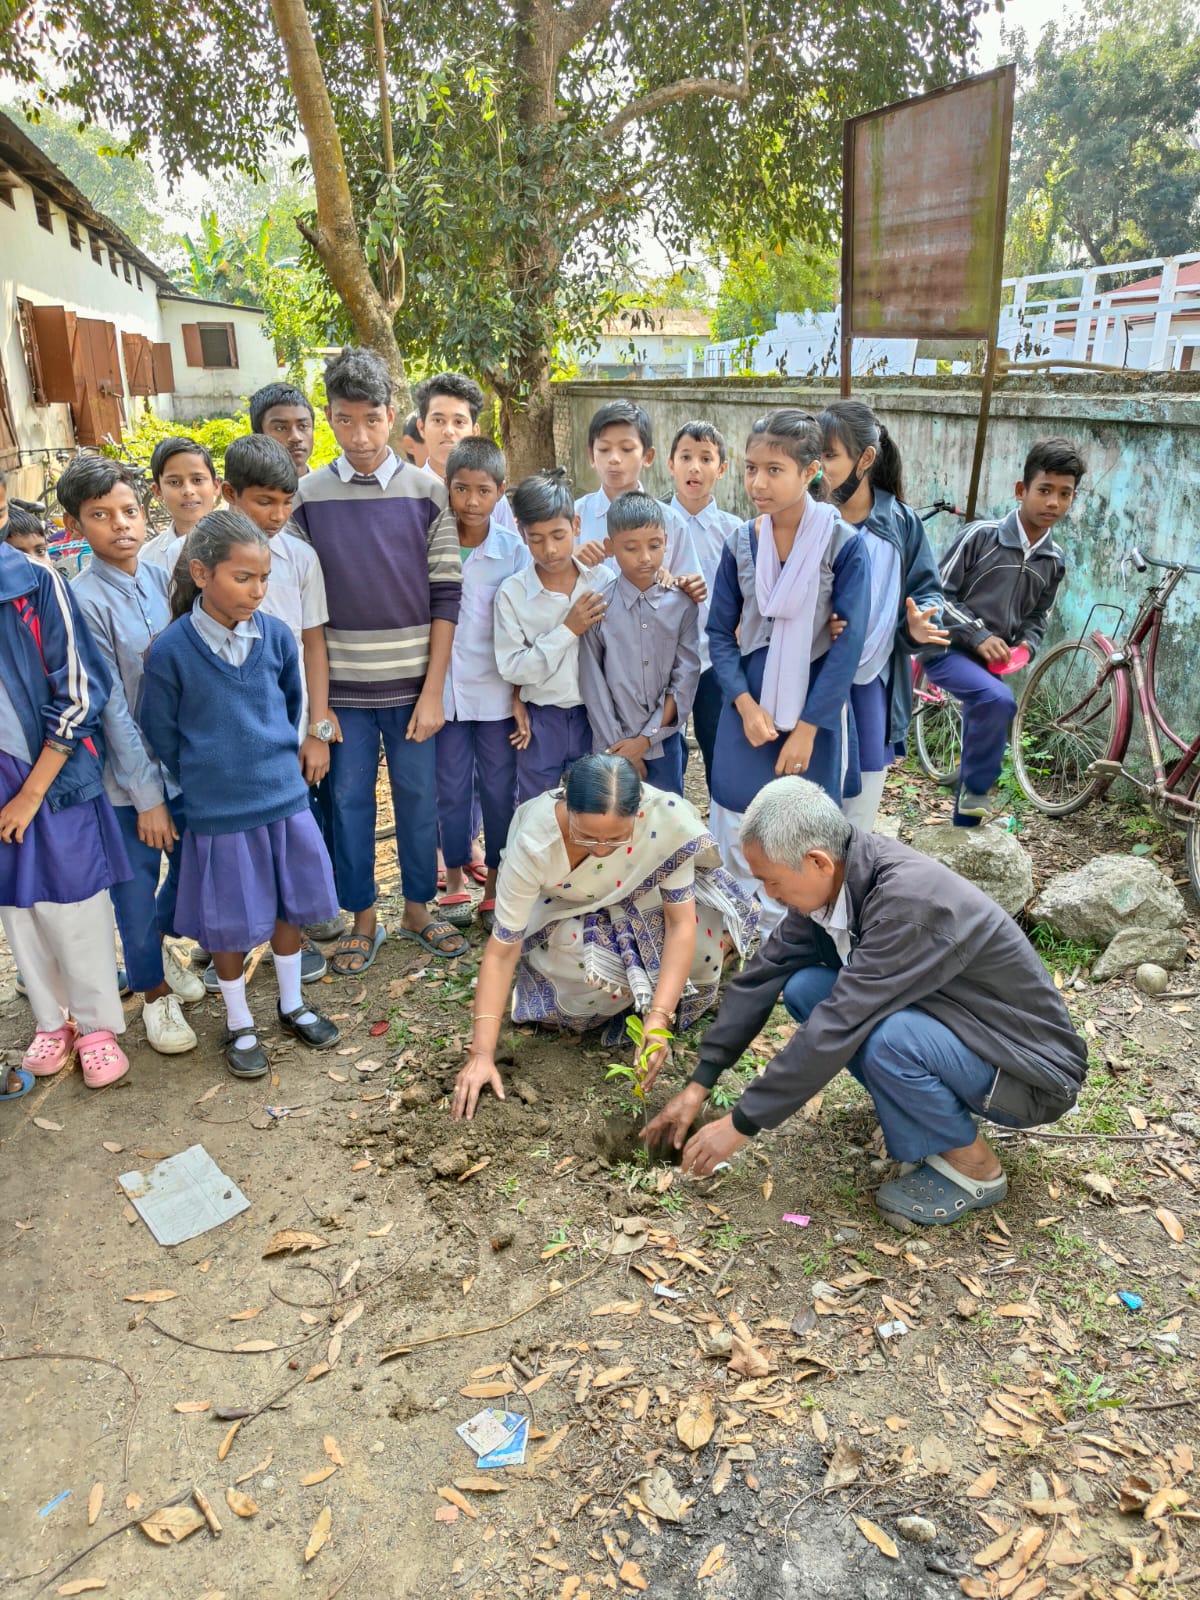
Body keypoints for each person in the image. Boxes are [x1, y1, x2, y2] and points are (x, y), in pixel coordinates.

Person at [644, 777, 1089, 1227]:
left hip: (1027, 1073)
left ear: (816, 861)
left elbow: (837, 1026)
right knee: (805, 989)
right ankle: (924, 1123)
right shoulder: (840, 883)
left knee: (887, 1038)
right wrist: (699, 1085)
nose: (769, 896)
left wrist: (741, 1123)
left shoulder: (906, 905)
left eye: (771, 881)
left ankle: (977, 1169)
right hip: (965, 1032)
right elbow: (761, 978)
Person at [140, 511, 342, 1079]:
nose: (257, 590)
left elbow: (289, 700)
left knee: (288, 906)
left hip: (282, 800)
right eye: (243, 578)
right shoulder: (172, 651)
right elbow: (159, 730)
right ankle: (238, 1022)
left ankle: (290, 1004)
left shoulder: (276, 637)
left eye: (263, 578)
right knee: (229, 922)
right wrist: (207, 777)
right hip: (218, 811)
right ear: (202, 573)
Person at [449, 754, 757, 1120]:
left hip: (645, 897)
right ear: (566, 804)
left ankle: (671, 987)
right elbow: (501, 953)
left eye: (615, 839)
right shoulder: (534, 844)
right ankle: (617, 999)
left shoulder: (665, 820)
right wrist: (482, 1055)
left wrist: (658, 1019)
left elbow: (679, 924)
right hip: (566, 910)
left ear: (639, 811)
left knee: (701, 949)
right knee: (579, 964)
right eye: (585, 835)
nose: (598, 849)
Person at [290, 347, 468, 971]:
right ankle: (364, 916)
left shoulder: (429, 493)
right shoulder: (306, 498)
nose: (360, 435)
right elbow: (304, 606)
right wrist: (318, 709)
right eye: (344, 420)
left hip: (414, 688)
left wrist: (433, 691)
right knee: (350, 802)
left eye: (371, 419)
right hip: (341, 693)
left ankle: (418, 907)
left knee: (420, 798)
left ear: (394, 417)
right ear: (330, 420)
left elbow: (448, 594)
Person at [707, 409, 870, 931]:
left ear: (810, 471)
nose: (758, 482)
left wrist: (805, 730)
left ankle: (798, 937)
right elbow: (718, 634)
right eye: (752, 468)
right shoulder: (740, 542)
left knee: (802, 832)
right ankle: (739, 931)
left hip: (811, 713)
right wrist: (744, 704)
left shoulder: (844, 545)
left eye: (774, 470)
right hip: (747, 710)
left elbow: (848, 648)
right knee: (735, 818)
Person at [66, 457, 206, 1055]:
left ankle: (157, 944)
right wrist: (147, 795)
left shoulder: (158, 576)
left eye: (128, 511)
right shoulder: (82, 599)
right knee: (135, 882)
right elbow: (111, 707)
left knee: (192, 864)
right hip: (126, 777)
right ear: (75, 526)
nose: (120, 525)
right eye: (100, 516)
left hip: (182, 758)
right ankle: (152, 994)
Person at [0, 532, 131, 1094]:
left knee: (72, 898)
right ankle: (53, 1021)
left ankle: (98, 1027)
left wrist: (30, 793)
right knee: (17, 905)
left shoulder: (34, 581)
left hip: (49, 776)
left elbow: (81, 689)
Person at [923, 437, 1085, 825]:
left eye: (1065, 495)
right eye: (1045, 491)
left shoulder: (1054, 560)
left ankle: (966, 810)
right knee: (998, 702)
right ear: (1021, 490)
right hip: (945, 648)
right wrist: (978, 634)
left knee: (992, 704)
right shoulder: (981, 536)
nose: (1054, 504)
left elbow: (1038, 617)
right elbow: (935, 595)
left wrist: (1027, 646)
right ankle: (973, 794)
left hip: (994, 661)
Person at [817, 400, 949, 831]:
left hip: (873, 676)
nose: (819, 467)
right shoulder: (808, 518)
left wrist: (918, 623)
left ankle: (849, 879)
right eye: (814, 455)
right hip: (813, 673)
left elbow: (928, 590)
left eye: (830, 456)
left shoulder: (902, 524)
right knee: (813, 788)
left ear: (866, 459)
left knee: (863, 799)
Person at [435, 438, 530, 931]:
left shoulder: (512, 552)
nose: (471, 501)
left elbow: (522, 627)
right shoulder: (432, 543)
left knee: (498, 790)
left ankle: (495, 881)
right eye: (461, 489)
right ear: (447, 488)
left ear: (500, 493)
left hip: (496, 694)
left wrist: (519, 697)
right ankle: (452, 877)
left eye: (483, 491)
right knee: (448, 789)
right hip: (444, 695)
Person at [494, 471, 613, 802]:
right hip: (541, 720)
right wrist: (568, 629)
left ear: (576, 525)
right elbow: (513, 667)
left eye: (559, 535)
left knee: (593, 807)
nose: (549, 549)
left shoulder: (602, 581)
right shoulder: (513, 593)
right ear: (522, 534)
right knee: (537, 811)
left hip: (595, 716)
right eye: (536, 538)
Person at [578, 492, 700, 796]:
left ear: (666, 541)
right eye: (631, 548)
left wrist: (645, 741)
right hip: (610, 748)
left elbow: (684, 680)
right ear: (611, 547)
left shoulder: (682, 606)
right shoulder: (597, 608)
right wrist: (621, 750)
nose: (645, 557)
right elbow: (594, 686)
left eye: (655, 545)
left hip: (664, 746)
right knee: (615, 831)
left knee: (664, 830)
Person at [665, 420, 744, 793]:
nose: (694, 467)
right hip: (664, 660)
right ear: (670, 464)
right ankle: (670, 838)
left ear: (722, 468)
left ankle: (724, 836)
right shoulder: (652, 523)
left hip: (716, 659)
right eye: (685, 457)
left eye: (706, 458)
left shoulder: (735, 531)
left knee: (721, 748)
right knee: (667, 752)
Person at [574, 400, 701, 578]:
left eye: (626, 449)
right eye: (603, 449)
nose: (614, 459)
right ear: (591, 456)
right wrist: (568, 564)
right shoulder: (573, 517)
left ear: (647, 456)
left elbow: (692, 590)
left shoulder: (671, 522)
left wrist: (677, 584)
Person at [415, 372, 521, 533]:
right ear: (421, 428)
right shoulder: (408, 494)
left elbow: (513, 552)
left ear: (474, 431)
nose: (448, 431)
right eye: (438, 420)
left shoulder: (493, 497)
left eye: (459, 422)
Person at [140, 437, 221, 569]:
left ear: (216, 486)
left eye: (197, 480)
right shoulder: (146, 560)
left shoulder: (244, 547)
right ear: (157, 491)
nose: (188, 491)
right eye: (174, 482)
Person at [250, 382, 316, 477]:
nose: (296, 437)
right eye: (281, 428)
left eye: (303, 426)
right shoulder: (244, 490)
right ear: (258, 435)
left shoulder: (330, 487)